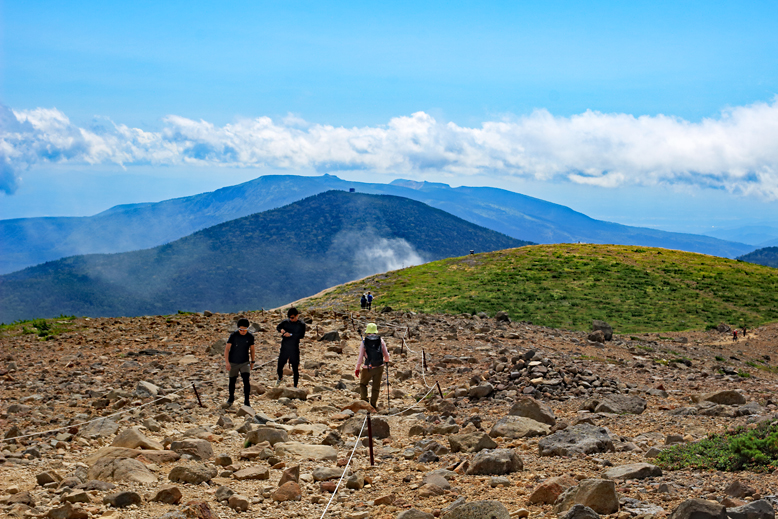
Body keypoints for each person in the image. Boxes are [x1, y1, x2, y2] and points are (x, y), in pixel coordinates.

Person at [354, 322, 390, 409]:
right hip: (379, 366)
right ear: (375, 331)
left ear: (367, 331)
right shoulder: (380, 340)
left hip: (368, 367)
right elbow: (386, 355)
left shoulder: (364, 341)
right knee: (376, 387)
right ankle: (373, 405)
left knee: (363, 384)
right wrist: (386, 361)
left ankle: (364, 403)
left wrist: (357, 368)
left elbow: (360, 357)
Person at [224, 318, 255, 408]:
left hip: (245, 362)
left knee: (246, 380)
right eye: (241, 330)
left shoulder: (250, 336)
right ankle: (231, 398)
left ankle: (246, 400)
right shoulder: (233, 335)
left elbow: (252, 349)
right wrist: (227, 362)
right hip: (233, 362)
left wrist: (253, 361)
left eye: (244, 330)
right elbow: (227, 349)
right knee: (232, 381)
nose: (242, 332)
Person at [276, 307, 306, 387]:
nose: (291, 319)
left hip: (294, 348)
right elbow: (278, 327)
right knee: (280, 365)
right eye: (290, 317)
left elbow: (302, 335)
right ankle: (280, 378)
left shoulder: (301, 324)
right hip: (285, 347)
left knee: (295, 367)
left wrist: (291, 334)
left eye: (292, 317)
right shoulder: (286, 322)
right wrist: (281, 331)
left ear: (297, 316)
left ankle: (295, 385)